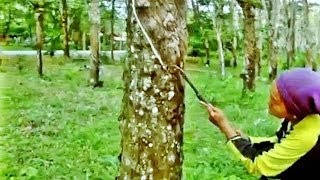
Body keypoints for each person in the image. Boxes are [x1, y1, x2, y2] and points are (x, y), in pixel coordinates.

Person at [201, 68, 320, 180]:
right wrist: (248, 140)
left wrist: (225, 127)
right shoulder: (298, 117)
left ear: (294, 109)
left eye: (275, 101)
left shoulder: (308, 135)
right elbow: (279, 141)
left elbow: (258, 164)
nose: (269, 103)